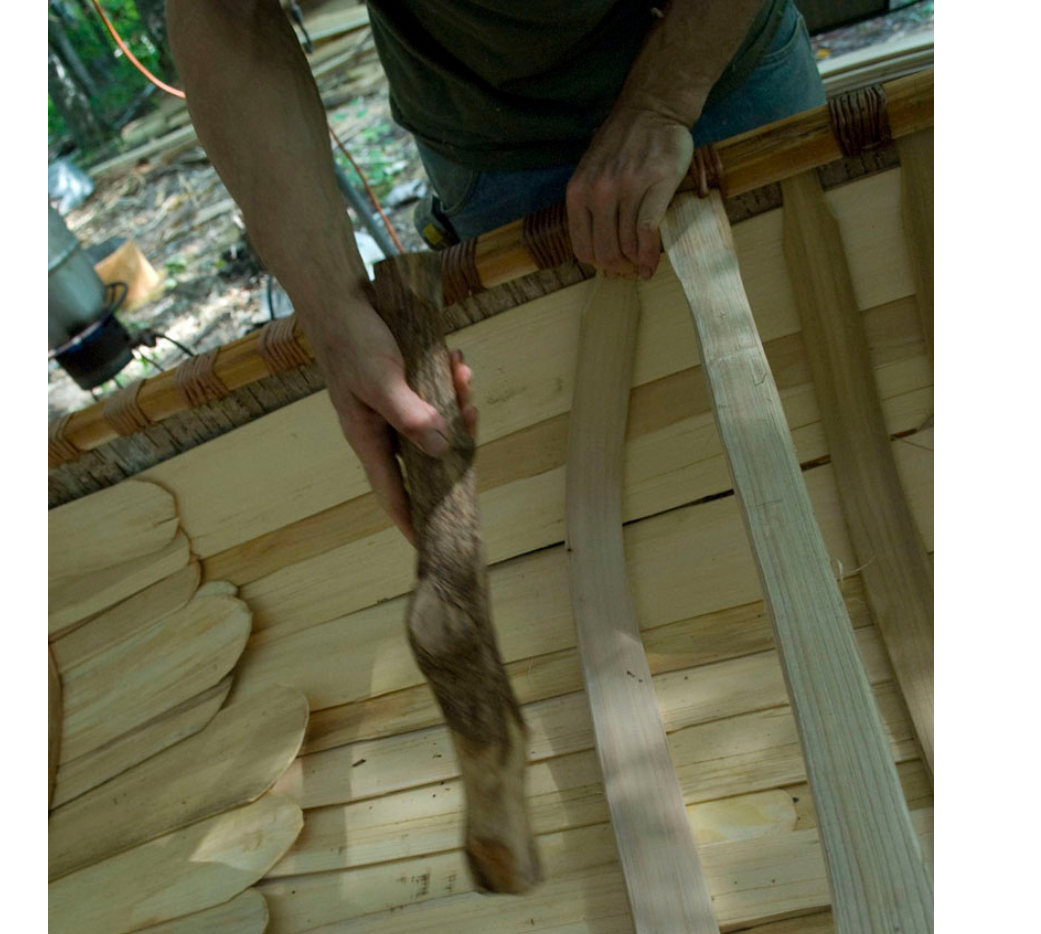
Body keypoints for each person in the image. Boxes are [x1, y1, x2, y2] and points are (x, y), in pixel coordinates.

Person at [169, 0, 824, 542]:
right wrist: (331, 310)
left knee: (814, 403)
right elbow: (227, 12)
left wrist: (665, 96)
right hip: (496, 138)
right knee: (646, 508)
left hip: (720, 47)